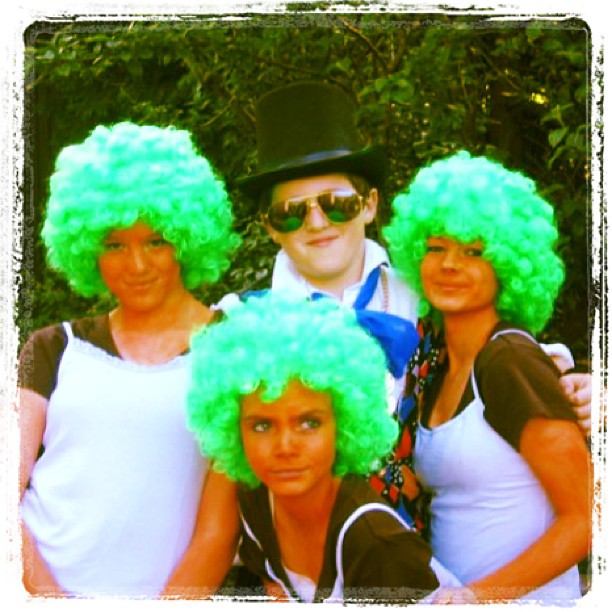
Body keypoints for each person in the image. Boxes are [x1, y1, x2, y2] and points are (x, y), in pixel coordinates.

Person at [229, 80, 592, 527]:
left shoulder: (427, 294)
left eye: (337, 204)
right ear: (269, 227)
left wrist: (578, 388)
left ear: (369, 205)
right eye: (291, 212)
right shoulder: (237, 324)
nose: (318, 222)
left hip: (420, 552)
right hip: (298, 552)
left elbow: (505, 357)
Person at [18, 121, 241, 598]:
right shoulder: (52, 348)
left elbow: (218, 533)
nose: (136, 265)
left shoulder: (233, 350)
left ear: (186, 238)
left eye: (155, 241)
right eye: (114, 244)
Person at [382, 150, 591, 603]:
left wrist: (477, 597)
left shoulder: (510, 360)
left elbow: (585, 519)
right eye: (436, 248)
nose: (449, 264)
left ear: (507, 266)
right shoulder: (434, 365)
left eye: (473, 252)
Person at [186, 292, 460, 603]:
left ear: (342, 423)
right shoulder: (257, 496)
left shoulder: (375, 542)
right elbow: (273, 583)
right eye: (262, 426)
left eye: (308, 423)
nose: (285, 447)